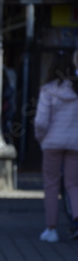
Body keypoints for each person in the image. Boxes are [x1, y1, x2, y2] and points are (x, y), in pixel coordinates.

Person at [35, 49, 78, 243]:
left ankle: (51, 229)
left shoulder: (48, 90)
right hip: (75, 144)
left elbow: (41, 122)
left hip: (51, 143)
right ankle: (76, 221)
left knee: (51, 185)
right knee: (73, 184)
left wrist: (41, 138)